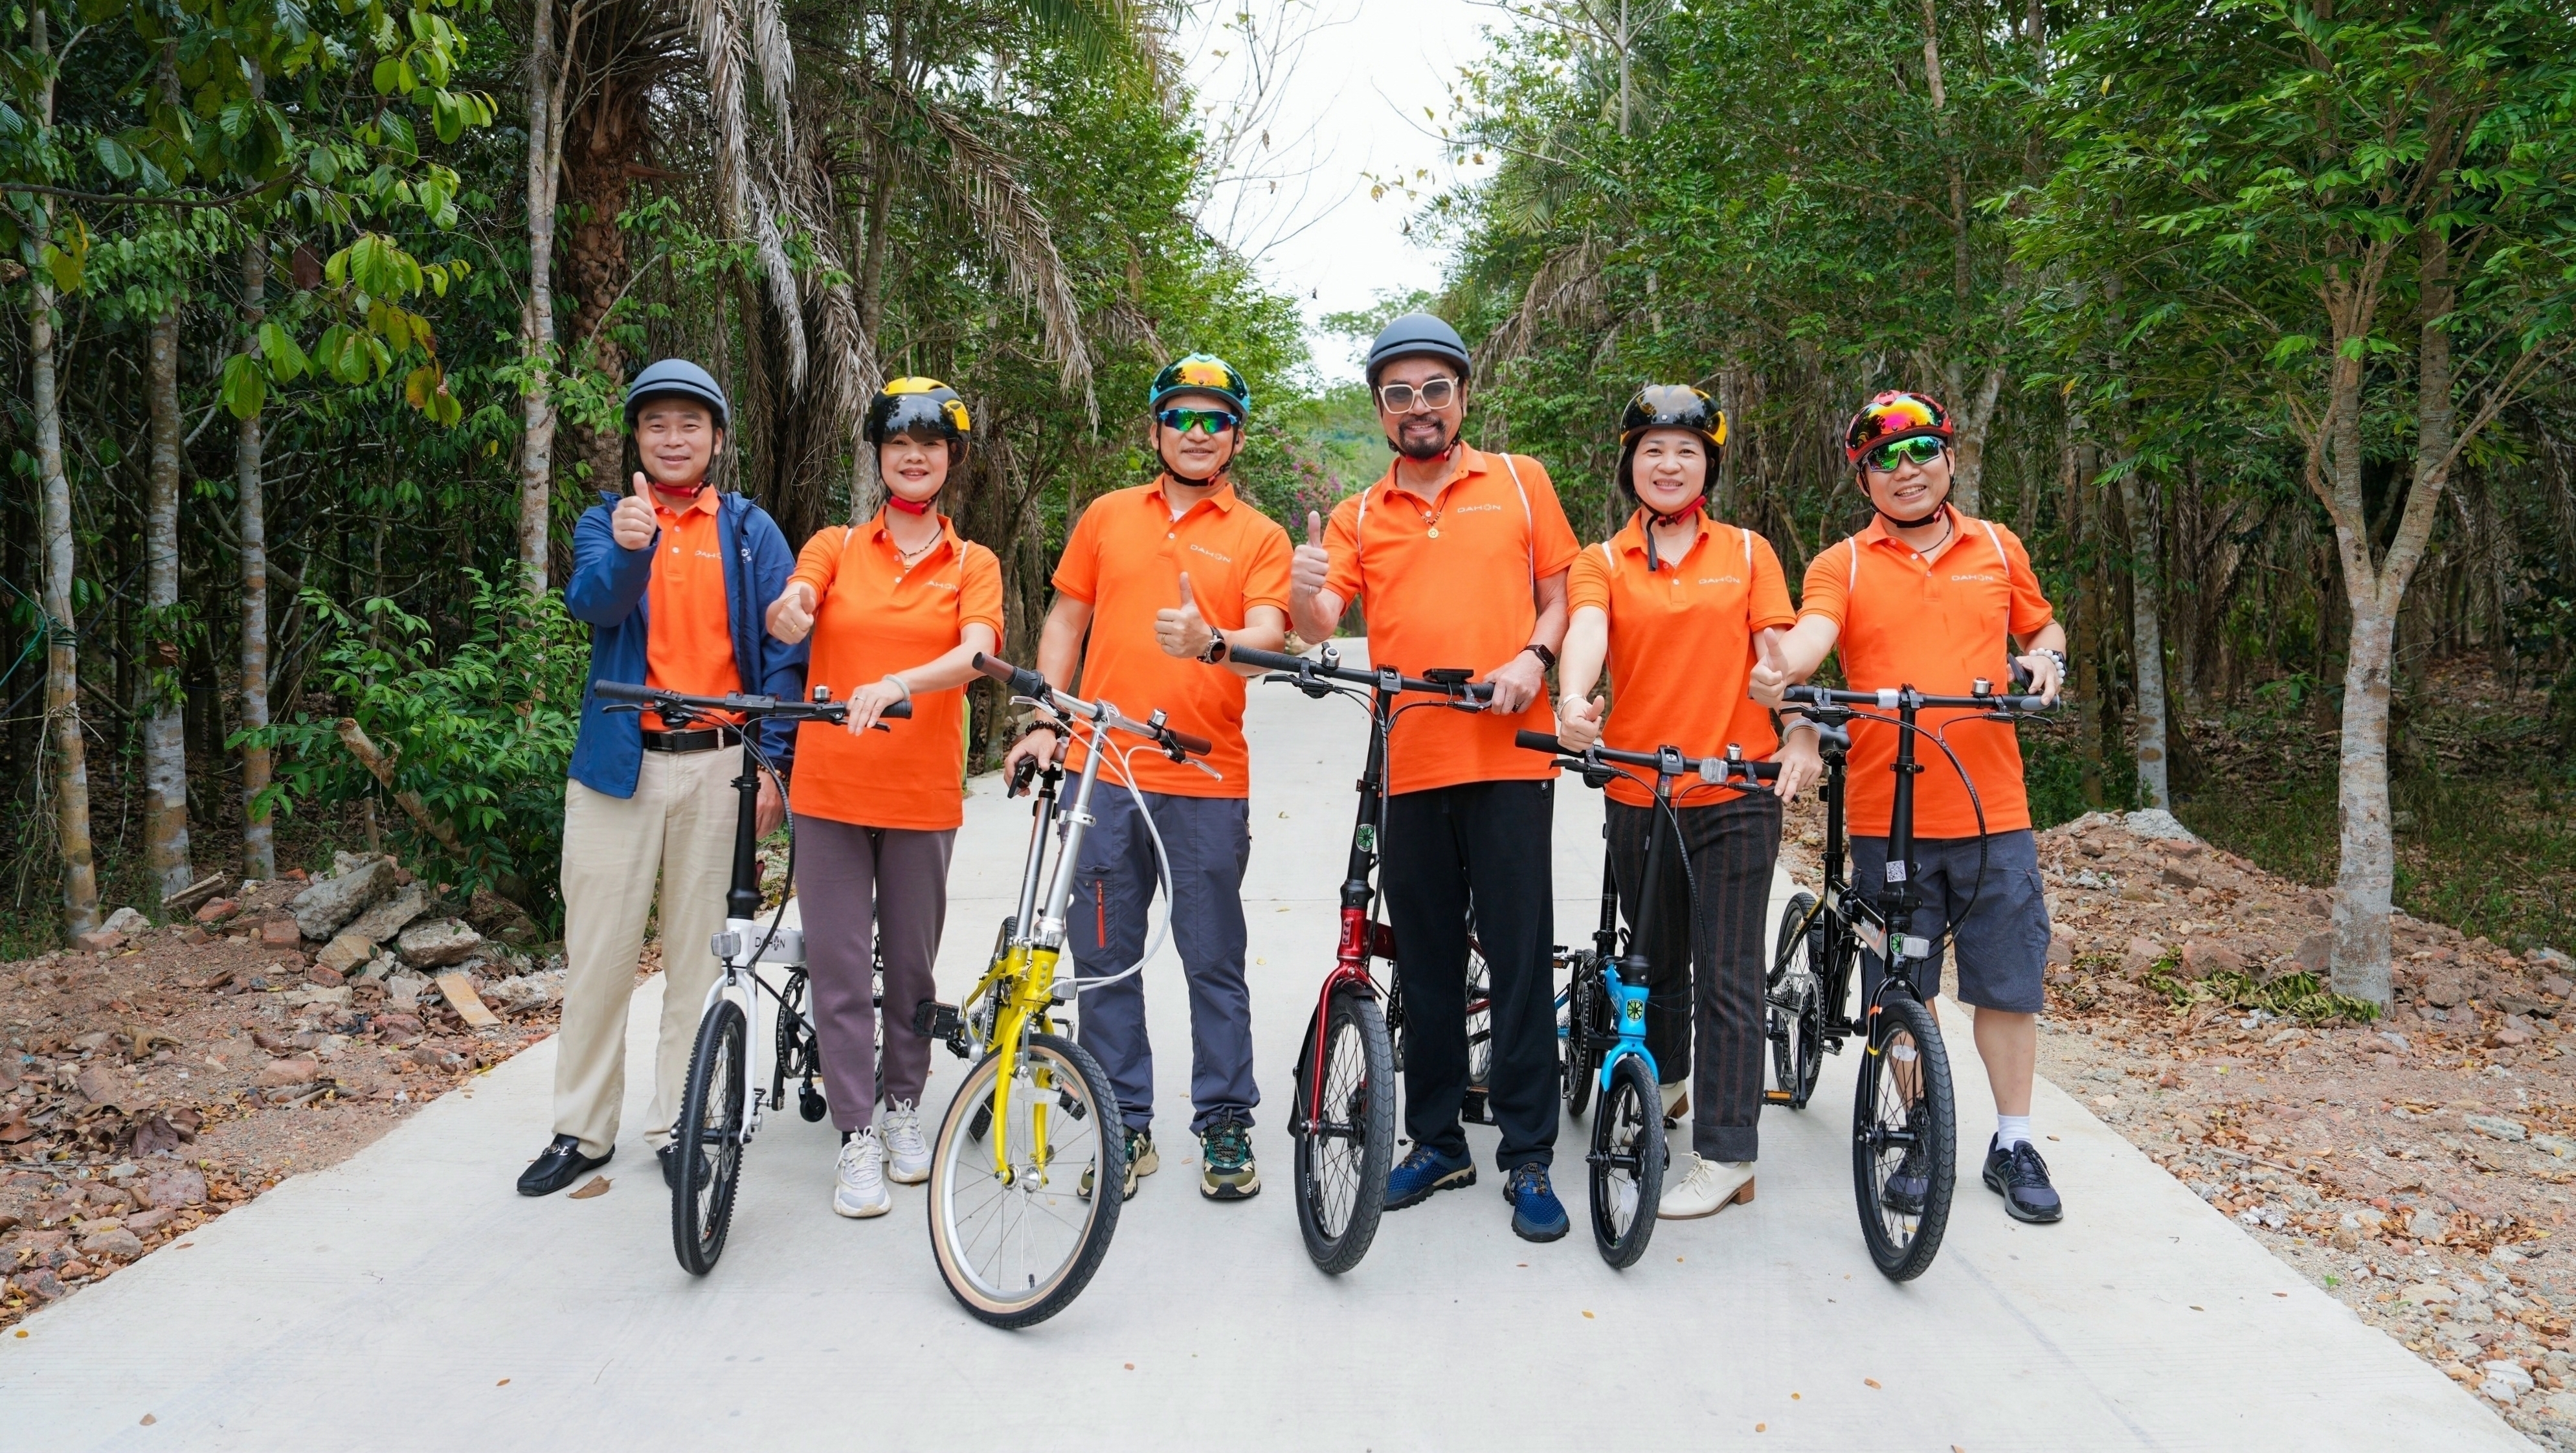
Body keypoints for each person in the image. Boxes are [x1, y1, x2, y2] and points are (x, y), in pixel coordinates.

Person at [1288, 313, 1581, 1243]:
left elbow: (1562, 593)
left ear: (1462, 394)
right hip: (1409, 764)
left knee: (1521, 956)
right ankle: (1438, 1139)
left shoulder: (1521, 483)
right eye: (1400, 394)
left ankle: (1529, 1156)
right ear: (1381, 409)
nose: (1420, 408)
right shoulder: (1360, 514)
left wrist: (1536, 659)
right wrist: (1302, 587)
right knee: (1426, 965)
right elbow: (1315, 623)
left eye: (1435, 390)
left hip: (1511, 756)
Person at [1750, 389, 2070, 1224]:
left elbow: (2042, 632)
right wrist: (1785, 665)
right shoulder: (1842, 564)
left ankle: (2012, 1141)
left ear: (1951, 459)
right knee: (1904, 985)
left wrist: (2044, 662)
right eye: (1882, 460)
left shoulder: (1998, 547)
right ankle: (1924, 1128)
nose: (1906, 471)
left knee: (2006, 985)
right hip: (1888, 814)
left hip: (1994, 808)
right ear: (1863, 481)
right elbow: (1817, 634)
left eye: (1920, 450)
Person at [1000, 354, 1293, 1202]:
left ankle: (1227, 1122)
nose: (1197, 435)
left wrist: (1213, 640)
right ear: (1156, 428)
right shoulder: (1107, 517)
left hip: (1205, 780)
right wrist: (1047, 720)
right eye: (1182, 418)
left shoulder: (1260, 536)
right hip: (1102, 776)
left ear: (1235, 435)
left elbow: (1269, 638)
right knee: (1104, 963)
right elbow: (1066, 618)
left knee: (1213, 961)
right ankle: (1124, 1124)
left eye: (1215, 420)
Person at [521, 358, 805, 1197]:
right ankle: (582, 1129)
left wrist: (775, 769)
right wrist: (631, 552)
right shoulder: (606, 520)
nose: (673, 438)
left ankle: (682, 1120)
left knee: (698, 961)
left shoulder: (753, 532)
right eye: (656, 425)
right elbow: (592, 603)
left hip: (721, 769)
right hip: (618, 769)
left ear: (717, 438)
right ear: (636, 440)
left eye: (690, 424)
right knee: (599, 956)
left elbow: (787, 658)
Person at [1554, 384, 1822, 1221]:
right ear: (1630, 463)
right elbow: (1588, 632)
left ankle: (1729, 1153)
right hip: (1640, 786)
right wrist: (1573, 700)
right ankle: (1664, 1084)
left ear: (1708, 465)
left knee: (1728, 976)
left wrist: (1797, 715)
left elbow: (1775, 653)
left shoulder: (1747, 552)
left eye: (1686, 452)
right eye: (1653, 450)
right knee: (1653, 960)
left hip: (1735, 789)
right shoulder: (1601, 558)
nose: (1668, 464)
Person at [763, 379, 1003, 1219]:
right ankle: (856, 1134)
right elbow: (798, 597)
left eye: (931, 445)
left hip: (921, 794)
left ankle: (906, 1110)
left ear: (951, 461)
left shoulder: (974, 564)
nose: (913, 456)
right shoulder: (834, 545)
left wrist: (900, 678)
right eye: (899, 443)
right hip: (829, 790)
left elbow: (977, 655)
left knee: (909, 970)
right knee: (835, 967)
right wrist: (791, 610)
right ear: (878, 454)